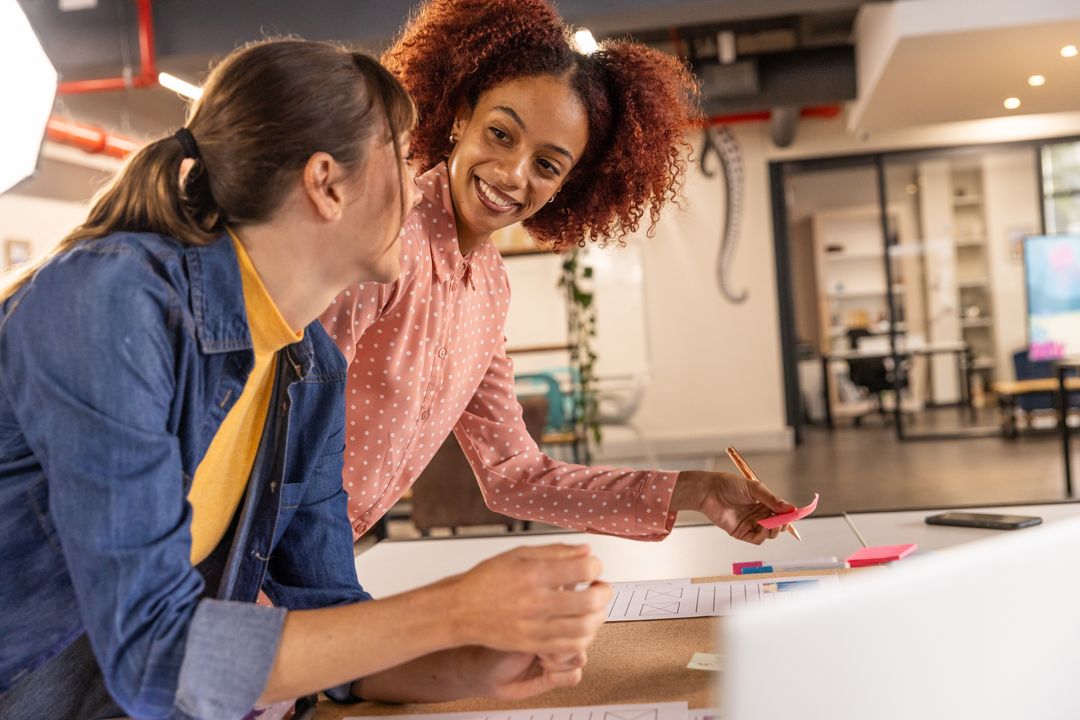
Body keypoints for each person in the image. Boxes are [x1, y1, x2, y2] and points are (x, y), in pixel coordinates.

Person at [0, 39, 609, 720]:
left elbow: (329, 617)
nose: (419, 185)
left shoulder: (308, 366)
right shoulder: (112, 302)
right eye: (403, 159)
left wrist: (472, 659)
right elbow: (157, 656)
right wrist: (454, 609)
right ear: (327, 183)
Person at [321, 0, 796, 545]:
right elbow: (279, 417)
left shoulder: (489, 287)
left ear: (563, 187)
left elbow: (512, 475)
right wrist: (324, 579)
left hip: (313, 555)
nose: (512, 173)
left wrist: (694, 491)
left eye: (547, 165)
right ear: (459, 119)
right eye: (501, 133)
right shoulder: (385, 234)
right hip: (250, 553)